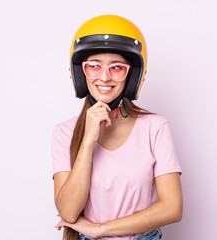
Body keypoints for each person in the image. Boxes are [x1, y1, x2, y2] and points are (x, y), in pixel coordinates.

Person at [52, 15, 183, 240]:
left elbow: (172, 208)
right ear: (81, 73)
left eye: (117, 68)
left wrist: (101, 229)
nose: (104, 77)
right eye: (94, 66)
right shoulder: (64, 133)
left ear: (131, 75)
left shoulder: (155, 127)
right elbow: (68, 211)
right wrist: (87, 141)